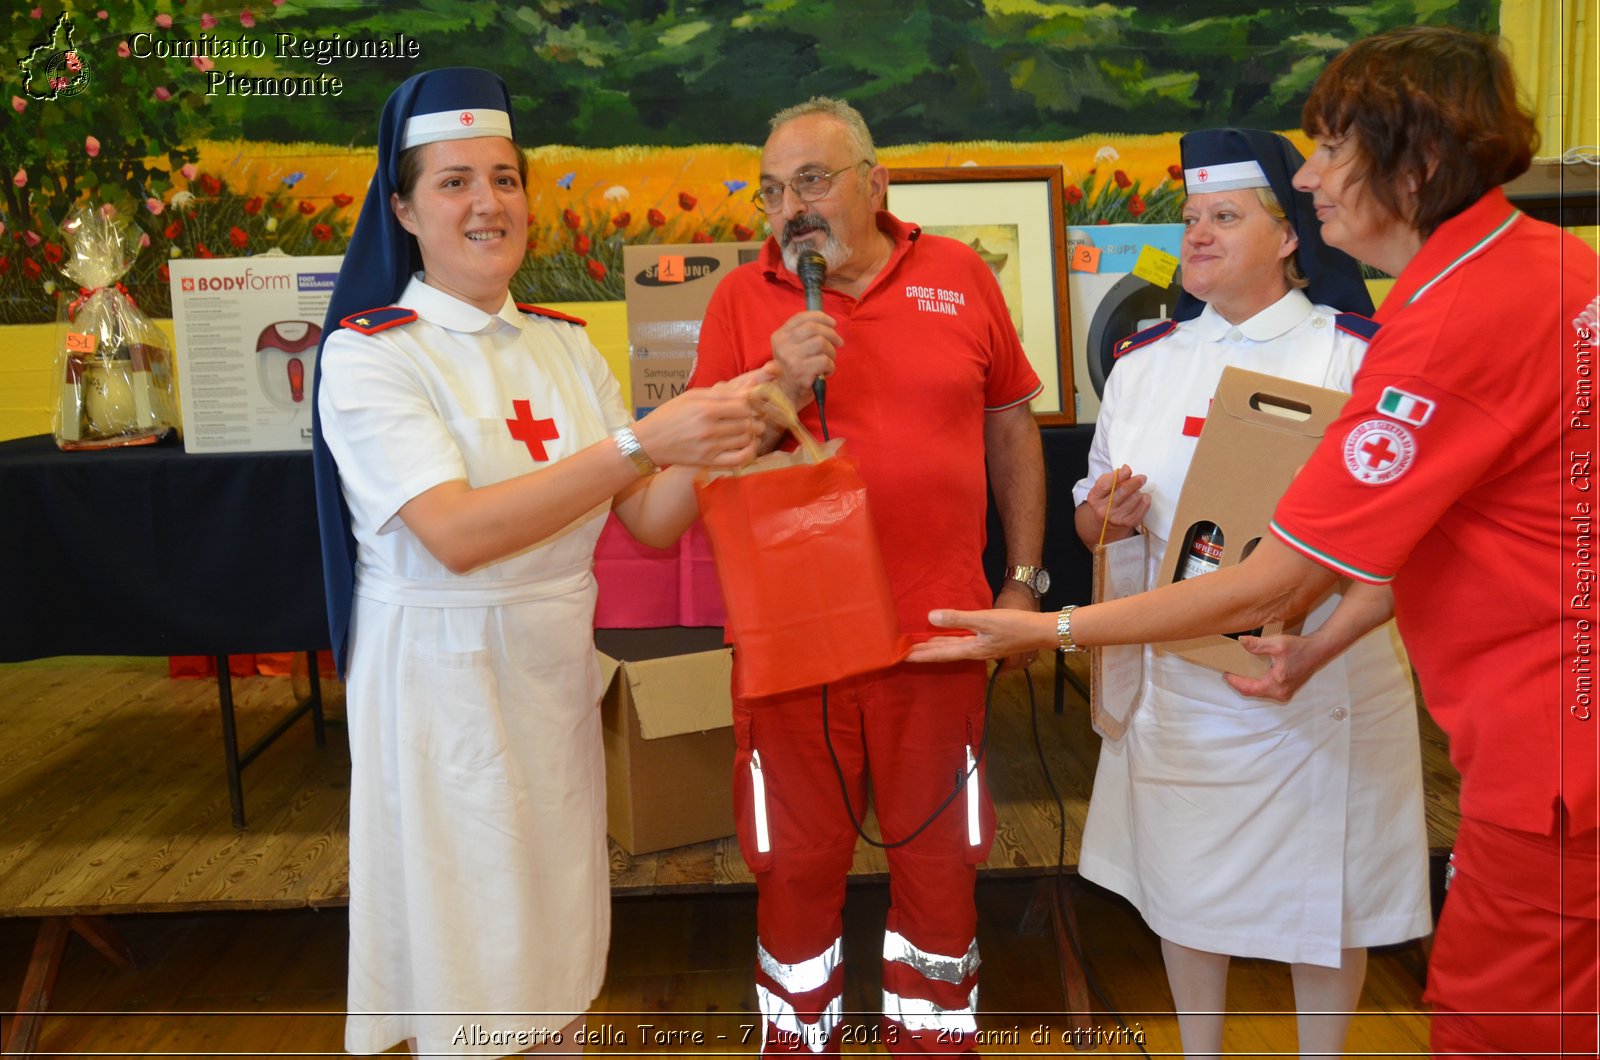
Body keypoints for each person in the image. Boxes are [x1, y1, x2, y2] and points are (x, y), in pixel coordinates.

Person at [909, 26, 1599, 1059]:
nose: (1310, 175)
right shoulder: (1548, 263)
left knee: (1494, 1027)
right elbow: (1399, 550)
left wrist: (1043, 627)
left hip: (1550, 749)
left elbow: (1273, 577)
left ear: (1414, 164)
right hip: (1543, 728)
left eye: (1328, 149)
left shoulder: (1440, 320)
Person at [310, 68, 766, 1056]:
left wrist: (740, 421)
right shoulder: (371, 355)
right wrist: (646, 442)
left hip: (551, 667)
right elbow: (457, 532)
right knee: (470, 937)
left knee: (554, 921)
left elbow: (646, 516)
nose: (488, 203)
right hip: (440, 674)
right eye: (455, 182)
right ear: (403, 208)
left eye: (506, 179)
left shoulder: (565, 348)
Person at [688, 96, 1048, 1053]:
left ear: (875, 182)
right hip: (794, 656)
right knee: (794, 879)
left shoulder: (961, 275)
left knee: (941, 880)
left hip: (938, 642)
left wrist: (1022, 577)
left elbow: (1009, 423)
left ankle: (933, 1043)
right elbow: (692, 473)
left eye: (812, 180)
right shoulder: (739, 301)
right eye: (772, 191)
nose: (790, 207)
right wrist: (772, 384)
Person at [1073, 127, 1430, 1059]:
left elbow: (1400, 527)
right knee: (1185, 889)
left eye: (1224, 216)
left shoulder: (1354, 356)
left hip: (1320, 680)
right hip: (1186, 682)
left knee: (1329, 900)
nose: (1195, 234)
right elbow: (1090, 521)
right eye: (1190, 217)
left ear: (1286, 236)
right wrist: (1104, 514)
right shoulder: (1142, 366)